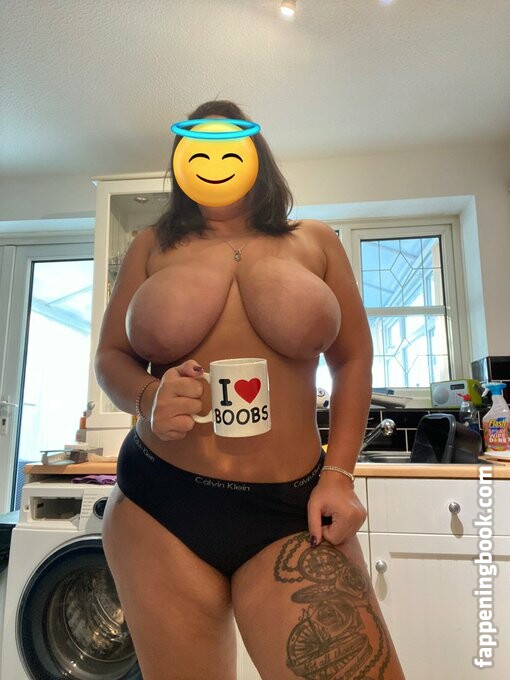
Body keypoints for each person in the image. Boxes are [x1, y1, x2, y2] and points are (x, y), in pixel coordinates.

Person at [98, 100, 405, 679]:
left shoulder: (316, 241)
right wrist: (147, 397)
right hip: (159, 506)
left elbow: (353, 358)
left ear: (255, 155)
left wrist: (339, 475)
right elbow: (111, 357)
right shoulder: (149, 246)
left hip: (292, 511)